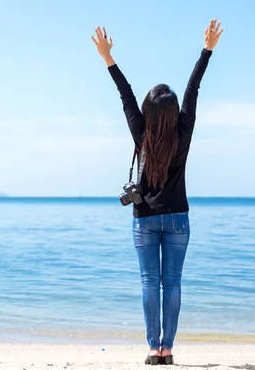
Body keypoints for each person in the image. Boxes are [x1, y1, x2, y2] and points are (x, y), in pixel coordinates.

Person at [91, 19, 223, 365]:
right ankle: (168, 349)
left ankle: (153, 349)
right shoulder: (183, 133)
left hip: (145, 219)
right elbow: (193, 89)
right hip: (178, 219)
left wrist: (108, 58)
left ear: (148, 112)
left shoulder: (141, 134)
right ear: (172, 112)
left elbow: (126, 94)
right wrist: (206, 51)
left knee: (150, 282)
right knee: (173, 284)